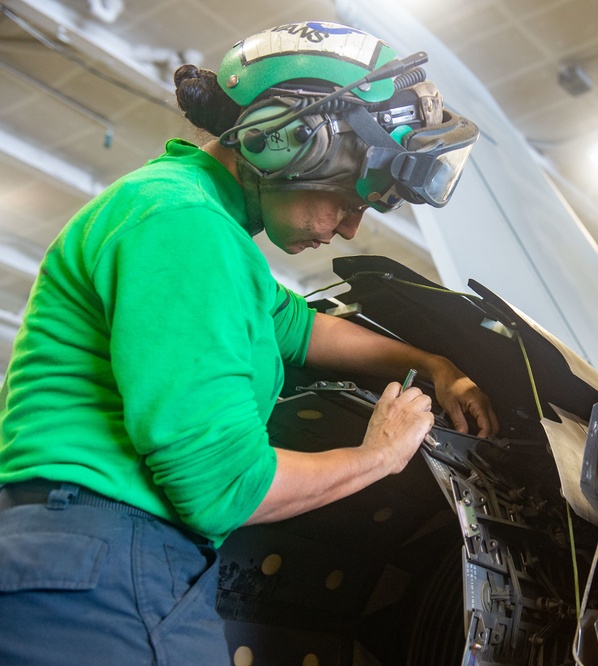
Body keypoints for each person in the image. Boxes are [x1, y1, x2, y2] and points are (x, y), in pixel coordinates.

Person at [0, 20, 498, 665]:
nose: (348, 228)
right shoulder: (185, 226)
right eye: (352, 198)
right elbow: (224, 487)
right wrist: (379, 455)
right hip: (103, 565)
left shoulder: (194, 221)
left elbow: (299, 328)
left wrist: (433, 362)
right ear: (288, 142)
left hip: (79, 555)